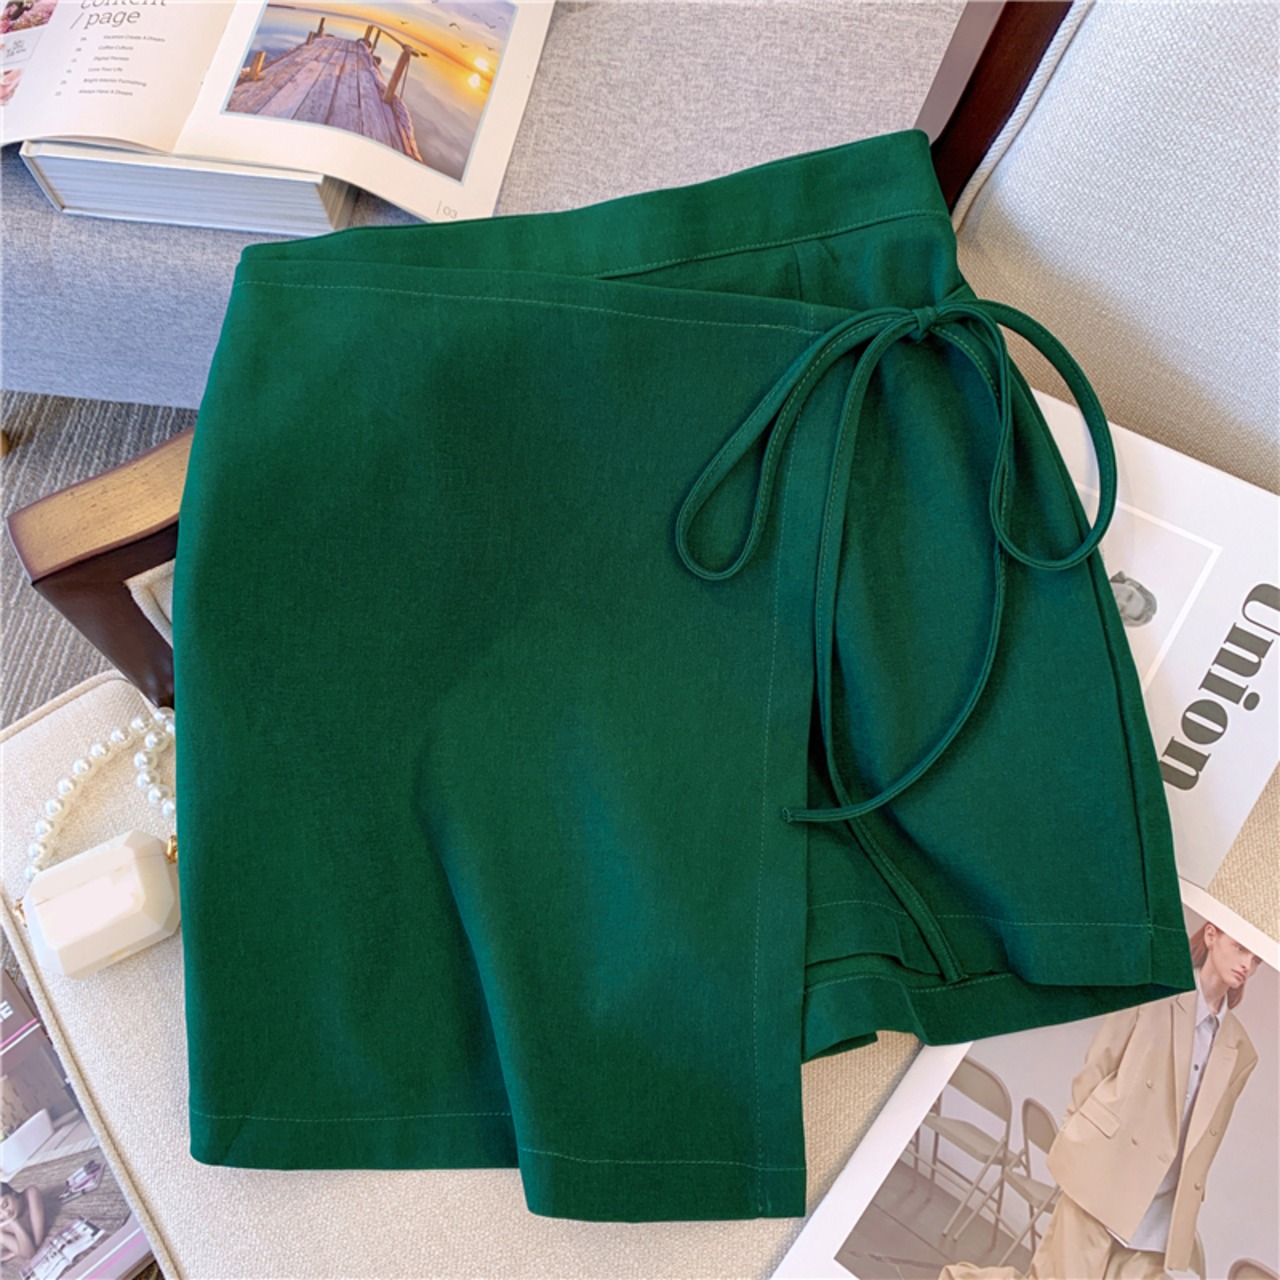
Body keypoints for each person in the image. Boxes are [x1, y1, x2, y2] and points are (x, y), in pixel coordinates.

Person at [939, 921, 1260, 1279]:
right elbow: (1099, 1065)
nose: (1247, 965)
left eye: (1256, 959)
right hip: (1107, 1171)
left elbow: (1208, 1139)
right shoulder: (1154, 991)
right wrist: (1078, 1143)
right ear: (1212, 935)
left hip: (1161, 1207)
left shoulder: (1240, 1049)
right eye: (1241, 949)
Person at [0, 1180, 47, 1263]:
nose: (6, 1214)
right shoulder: (2, 1228)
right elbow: (30, 1254)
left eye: (5, 1205)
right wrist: (14, 1222)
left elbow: (37, 1243)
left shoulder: (31, 1194)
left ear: (13, 1193)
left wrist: (17, 1251)